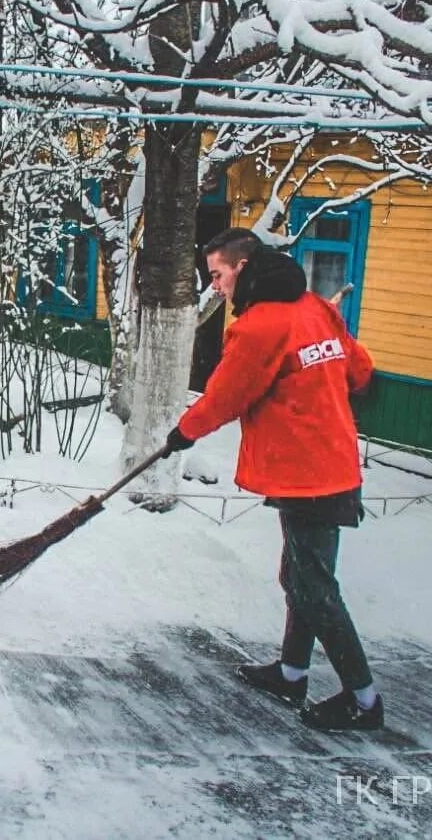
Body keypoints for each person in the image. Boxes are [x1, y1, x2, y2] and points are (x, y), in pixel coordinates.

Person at [163, 227, 383, 732]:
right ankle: (291, 672)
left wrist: (183, 433)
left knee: (315, 590)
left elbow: (225, 396)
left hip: (308, 471)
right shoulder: (314, 308)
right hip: (328, 464)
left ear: (241, 267)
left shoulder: (259, 327)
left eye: (217, 275)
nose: (214, 286)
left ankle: (364, 700)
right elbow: (360, 369)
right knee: (302, 579)